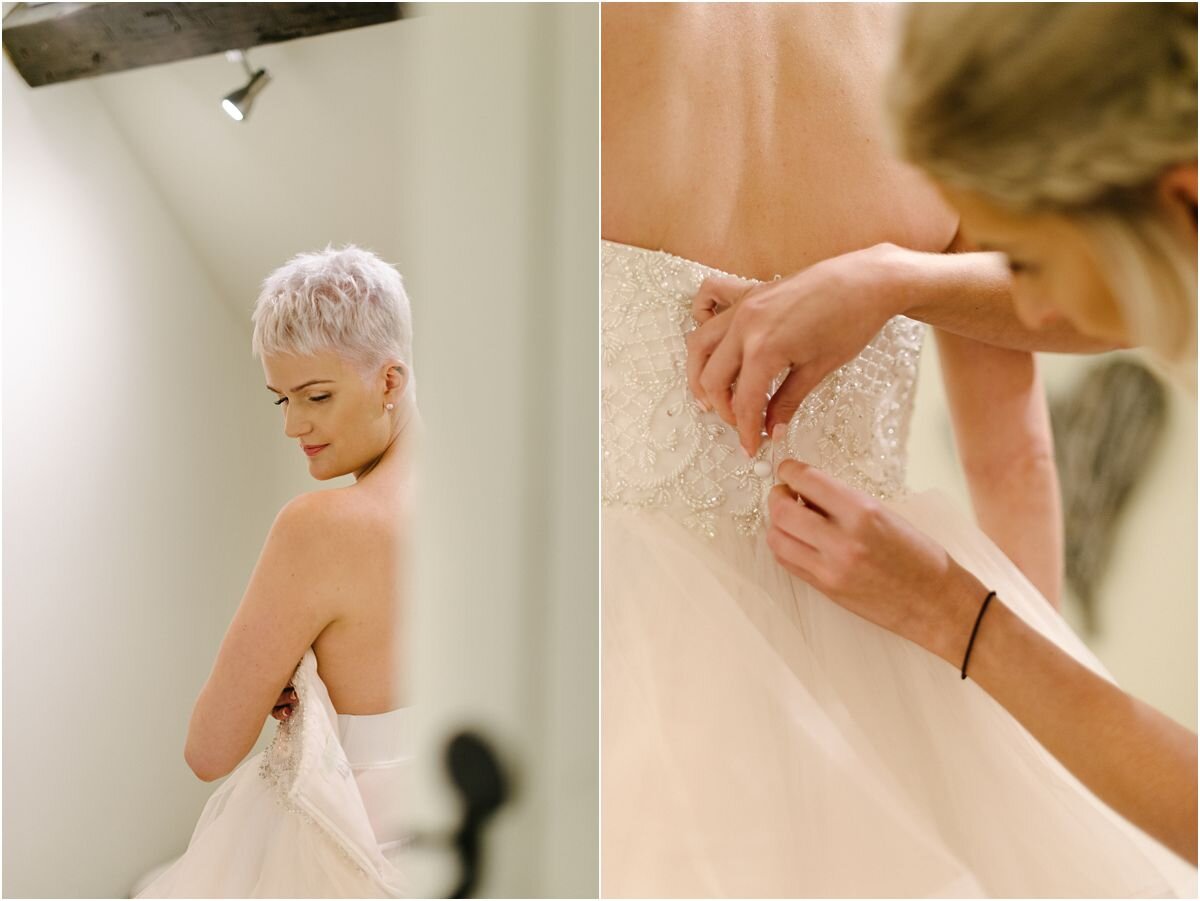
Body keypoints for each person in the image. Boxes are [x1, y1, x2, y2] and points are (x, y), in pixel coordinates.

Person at [602, 3, 1194, 897]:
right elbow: (1017, 458)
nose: (1028, 313)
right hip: (898, 654)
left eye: (1026, 265)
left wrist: (965, 620)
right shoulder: (925, 39)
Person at [136, 245, 415, 897]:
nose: (294, 425)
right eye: (280, 400)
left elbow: (209, 748)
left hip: (331, 854)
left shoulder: (319, 528)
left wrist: (280, 682)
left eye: (315, 395)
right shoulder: (482, 497)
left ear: (390, 380)